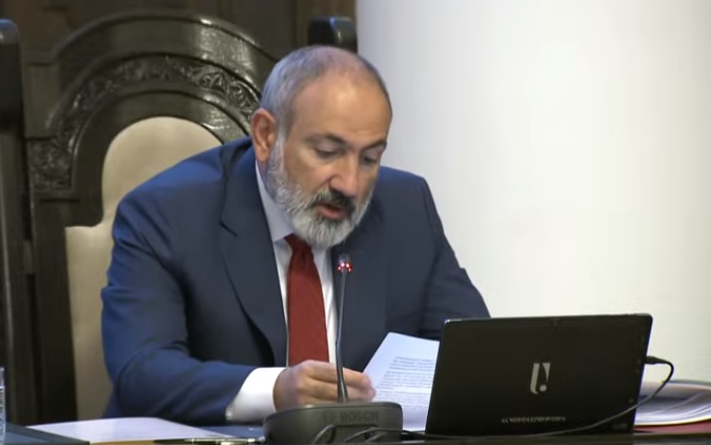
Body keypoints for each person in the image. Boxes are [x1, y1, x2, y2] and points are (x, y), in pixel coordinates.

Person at [101, 46, 489, 426]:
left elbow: (473, 354)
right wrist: (274, 391)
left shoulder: (405, 206)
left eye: (370, 158)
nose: (350, 184)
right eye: (327, 152)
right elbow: (142, 371)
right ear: (266, 136)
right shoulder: (168, 214)